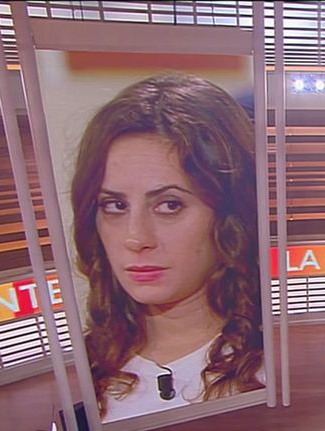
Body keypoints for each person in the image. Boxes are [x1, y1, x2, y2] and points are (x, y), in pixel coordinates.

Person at [70, 73, 264, 422]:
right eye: (115, 205)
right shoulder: (86, 365)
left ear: (231, 216)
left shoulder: (273, 365)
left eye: (169, 205)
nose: (136, 238)